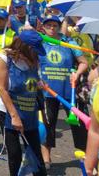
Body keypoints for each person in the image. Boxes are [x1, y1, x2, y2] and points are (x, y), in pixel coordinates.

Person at [0, 30, 47, 176]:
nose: (35, 53)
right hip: (7, 110)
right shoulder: (4, 57)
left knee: (36, 153)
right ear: (26, 47)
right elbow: (1, 88)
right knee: (15, 154)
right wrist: (14, 116)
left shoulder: (33, 58)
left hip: (29, 109)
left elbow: (32, 80)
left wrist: (38, 84)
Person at [38, 15, 88, 167]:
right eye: (49, 25)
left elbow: (84, 62)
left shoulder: (68, 42)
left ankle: (84, 158)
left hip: (69, 91)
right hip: (47, 92)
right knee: (48, 126)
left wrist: (77, 73)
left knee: (78, 126)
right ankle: (47, 159)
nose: (52, 28)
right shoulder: (39, 43)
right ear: (43, 27)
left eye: (55, 25)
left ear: (59, 27)